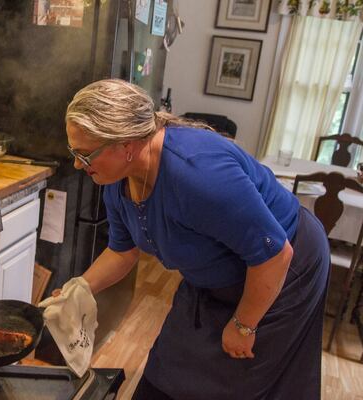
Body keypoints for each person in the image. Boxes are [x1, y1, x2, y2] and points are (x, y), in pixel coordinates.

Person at [64, 79, 330, 399]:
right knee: (169, 366)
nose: (78, 164)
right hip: (217, 270)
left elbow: (275, 254)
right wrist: (78, 289)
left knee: (236, 382)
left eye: (85, 154)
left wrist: (245, 325)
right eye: (73, 151)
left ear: (127, 144)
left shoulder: (198, 174)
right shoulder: (117, 179)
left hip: (282, 270)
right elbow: (122, 252)